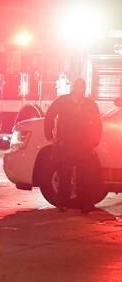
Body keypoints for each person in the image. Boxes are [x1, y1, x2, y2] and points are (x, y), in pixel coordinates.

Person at [44, 78, 102, 213]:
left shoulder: (89, 104)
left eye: (82, 87)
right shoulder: (62, 101)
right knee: (64, 174)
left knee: (85, 176)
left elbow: (97, 124)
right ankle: (63, 203)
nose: (80, 90)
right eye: (78, 87)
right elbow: (50, 115)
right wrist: (49, 135)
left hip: (84, 145)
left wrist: (94, 141)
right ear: (74, 88)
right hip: (66, 144)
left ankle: (85, 205)